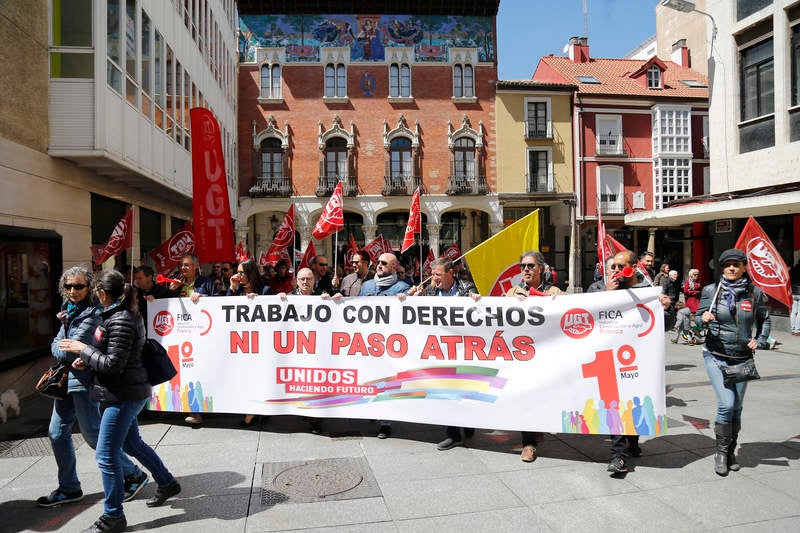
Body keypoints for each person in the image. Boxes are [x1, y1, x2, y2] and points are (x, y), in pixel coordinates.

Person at [59, 270, 181, 533]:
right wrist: (89, 357)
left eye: (95, 291)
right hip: (119, 391)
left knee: (105, 455)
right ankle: (167, 482)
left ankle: (113, 516)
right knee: (132, 443)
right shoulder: (115, 315)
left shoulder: (122, 319)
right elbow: (109, 354)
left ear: (103, 293)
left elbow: (114, 365)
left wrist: (84, 350)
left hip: (123, 395)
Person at [38, 267, 148, 509]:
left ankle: (133, 473)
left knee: (93, 435)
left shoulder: (93, 313)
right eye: (68, 286)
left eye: (78, 286)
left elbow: (71, 348)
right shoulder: (68, 311)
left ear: (89, 288)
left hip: (84, 383)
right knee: (56, 433)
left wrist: (66, 347)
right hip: (65, 383)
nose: (72, 291)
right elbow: (59, 344)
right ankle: (69, 487)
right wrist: (63, 346)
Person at [593, 249, 674, 474]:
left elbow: (666, 325)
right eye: (614, 267)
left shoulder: (649, 291)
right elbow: (588, 318)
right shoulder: (599, 288)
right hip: (608, 357)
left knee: (633, 400)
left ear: (633, 267)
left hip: (636, 358)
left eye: (622, 267)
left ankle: (633, 441)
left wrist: (666, 309)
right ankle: (618, 456)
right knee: (615, 404)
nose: (617, 271)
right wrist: (607, 295)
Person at [696, 248, 770, 476]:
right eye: (727, 264)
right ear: (722, 267)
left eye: (736, 265)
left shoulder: (754, 293)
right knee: (726, 404)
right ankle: (720, 452)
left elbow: (764, 319)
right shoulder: (711, 290)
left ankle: (730, 452)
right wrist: (702, 318)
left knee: (737, 408)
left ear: (744, 267)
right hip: (716, 355)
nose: (731, 268)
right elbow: (697, 319)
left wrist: (760, 340)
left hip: (742, 357)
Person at [407, 258, 481, 450]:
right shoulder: (430, 291)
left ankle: (469, 421)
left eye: (438, 274)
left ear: (450, 273)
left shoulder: (466, 287)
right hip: (440, 350)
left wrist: (477, 300)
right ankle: (453, 433)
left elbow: (480, 312)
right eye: (432, 274)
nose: (434, 278)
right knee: (446, 390)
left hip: (463, 348)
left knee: (464, 389)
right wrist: (411, 299)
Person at [506, 251, 563, 462]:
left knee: (543, 397)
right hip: (523, 357)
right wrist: (512, 302)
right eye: (522, 266)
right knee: (526, 398)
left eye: (530, 266)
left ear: (541, 268)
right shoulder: (513, 291)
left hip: (547, 356)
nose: (526, 270)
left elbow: (571, 312)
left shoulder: (554, 291)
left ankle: (538, 427)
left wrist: (557, 302)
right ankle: (528, 444)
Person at [359, 252, 411, 437]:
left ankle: (386, 422)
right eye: (378, 262)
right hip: (368, 343)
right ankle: (371, 410)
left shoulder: (403, 288)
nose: (379, 265)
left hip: (390, 344)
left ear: (394, 267)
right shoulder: (367, 286)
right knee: (370, 377)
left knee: (388, 380)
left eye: (383, 263)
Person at [228, 259, 271, 426]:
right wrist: (231, 288)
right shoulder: (237, 290)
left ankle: (254, 411)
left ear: (251, 273)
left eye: (241, 272)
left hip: (259, 342)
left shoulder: (265, 290)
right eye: (237, 272)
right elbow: (224, 309)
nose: (238, 275)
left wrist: (258, 300)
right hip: (240, 342)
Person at [673, 268, 701, 344]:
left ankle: (695, 332)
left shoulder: (697, 281)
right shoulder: (688, 281)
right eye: (695, 274)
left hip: (697, 300)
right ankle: (688, 333)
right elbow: (685, 291)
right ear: (691, 275)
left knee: (697, 317)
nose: (696, 276)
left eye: (697, 274)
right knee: (690, 318)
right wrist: (695, 292)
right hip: (690, 301)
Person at [791, 259, 800, 336]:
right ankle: (797, 330)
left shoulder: (794, 269)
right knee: (799, 313)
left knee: (793, 312)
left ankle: (793, 329)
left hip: (793, 293)